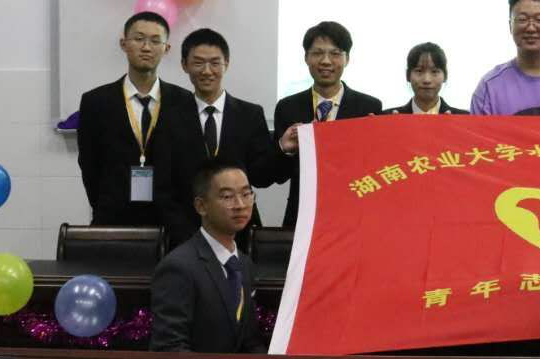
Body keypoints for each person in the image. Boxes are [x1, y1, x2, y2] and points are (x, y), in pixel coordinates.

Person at [76, 12, 194, 231]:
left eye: (155, 41)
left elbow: (187, 166)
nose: (146, 47)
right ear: (124, 44)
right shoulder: (96, 101)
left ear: (167, 48)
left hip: (172, 223)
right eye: (139, 39)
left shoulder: (184, 101)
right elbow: (89, 164)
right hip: (113, 219)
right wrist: (104, 205)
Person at [167, 27, 284, 233]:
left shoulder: (250, 114)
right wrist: (181, 230)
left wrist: (282, 148)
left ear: (226, 64)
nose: (207, 71)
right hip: (186, 230)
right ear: (185, 65)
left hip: (240, 230)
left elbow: (262, 177)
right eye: (198, 63)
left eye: (215, 63)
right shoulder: (169, 117)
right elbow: (164, 184)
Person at [274, 20, 383, 228]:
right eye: (317, 53)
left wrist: (373, 147)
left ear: (347, 59)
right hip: (302, 219)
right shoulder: (288, 107)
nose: (325, 61)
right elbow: (276, 176)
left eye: (335, 54)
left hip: (353, 218)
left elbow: (376, 174)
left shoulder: (369, 108)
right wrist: (284, 149)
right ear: (306, 57)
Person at [149, 162, 264, 353]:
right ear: (201, 206)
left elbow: (250, 341)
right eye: (227, 197)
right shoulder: (178, 267)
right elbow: (169, 349)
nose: (241, 205)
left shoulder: (244, 264)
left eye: (246, 194)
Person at [386, 42, 469, 115]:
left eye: (434, 71)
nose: (427, 80)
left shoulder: (465, 119)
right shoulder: (386, 118)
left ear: (445, 76)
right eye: (419, 71)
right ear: (407, 75)